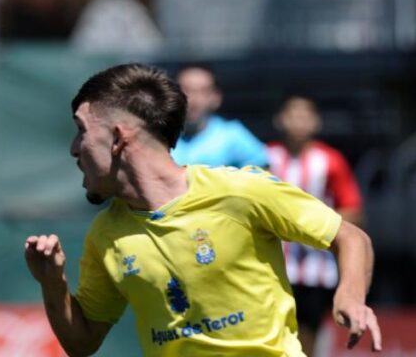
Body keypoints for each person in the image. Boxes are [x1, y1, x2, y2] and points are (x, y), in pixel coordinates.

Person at [24, 63, 381, 356]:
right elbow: (82, 342)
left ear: (117, 139)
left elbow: (351, 237)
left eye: (81, 131)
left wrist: (350, 294)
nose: (73, 149)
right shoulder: (106, 234)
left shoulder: (240, 190)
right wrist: (52, 283)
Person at [268, 94, 365, 357]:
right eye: (293, 115)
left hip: (316, 268)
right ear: (280, 119)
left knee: (307, 334)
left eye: (305, 116)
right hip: (272, 265)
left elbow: (353, 210)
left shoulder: (330, 160)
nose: (298, 122)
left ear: (316, 122)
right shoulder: (266, 157)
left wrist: (309, 225)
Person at [171, 63, 268, 168]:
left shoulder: (232, 135)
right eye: (186, 90)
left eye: (203, 91)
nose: (194, 99)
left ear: (216, 97)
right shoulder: (158, 137)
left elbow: (265, 171)